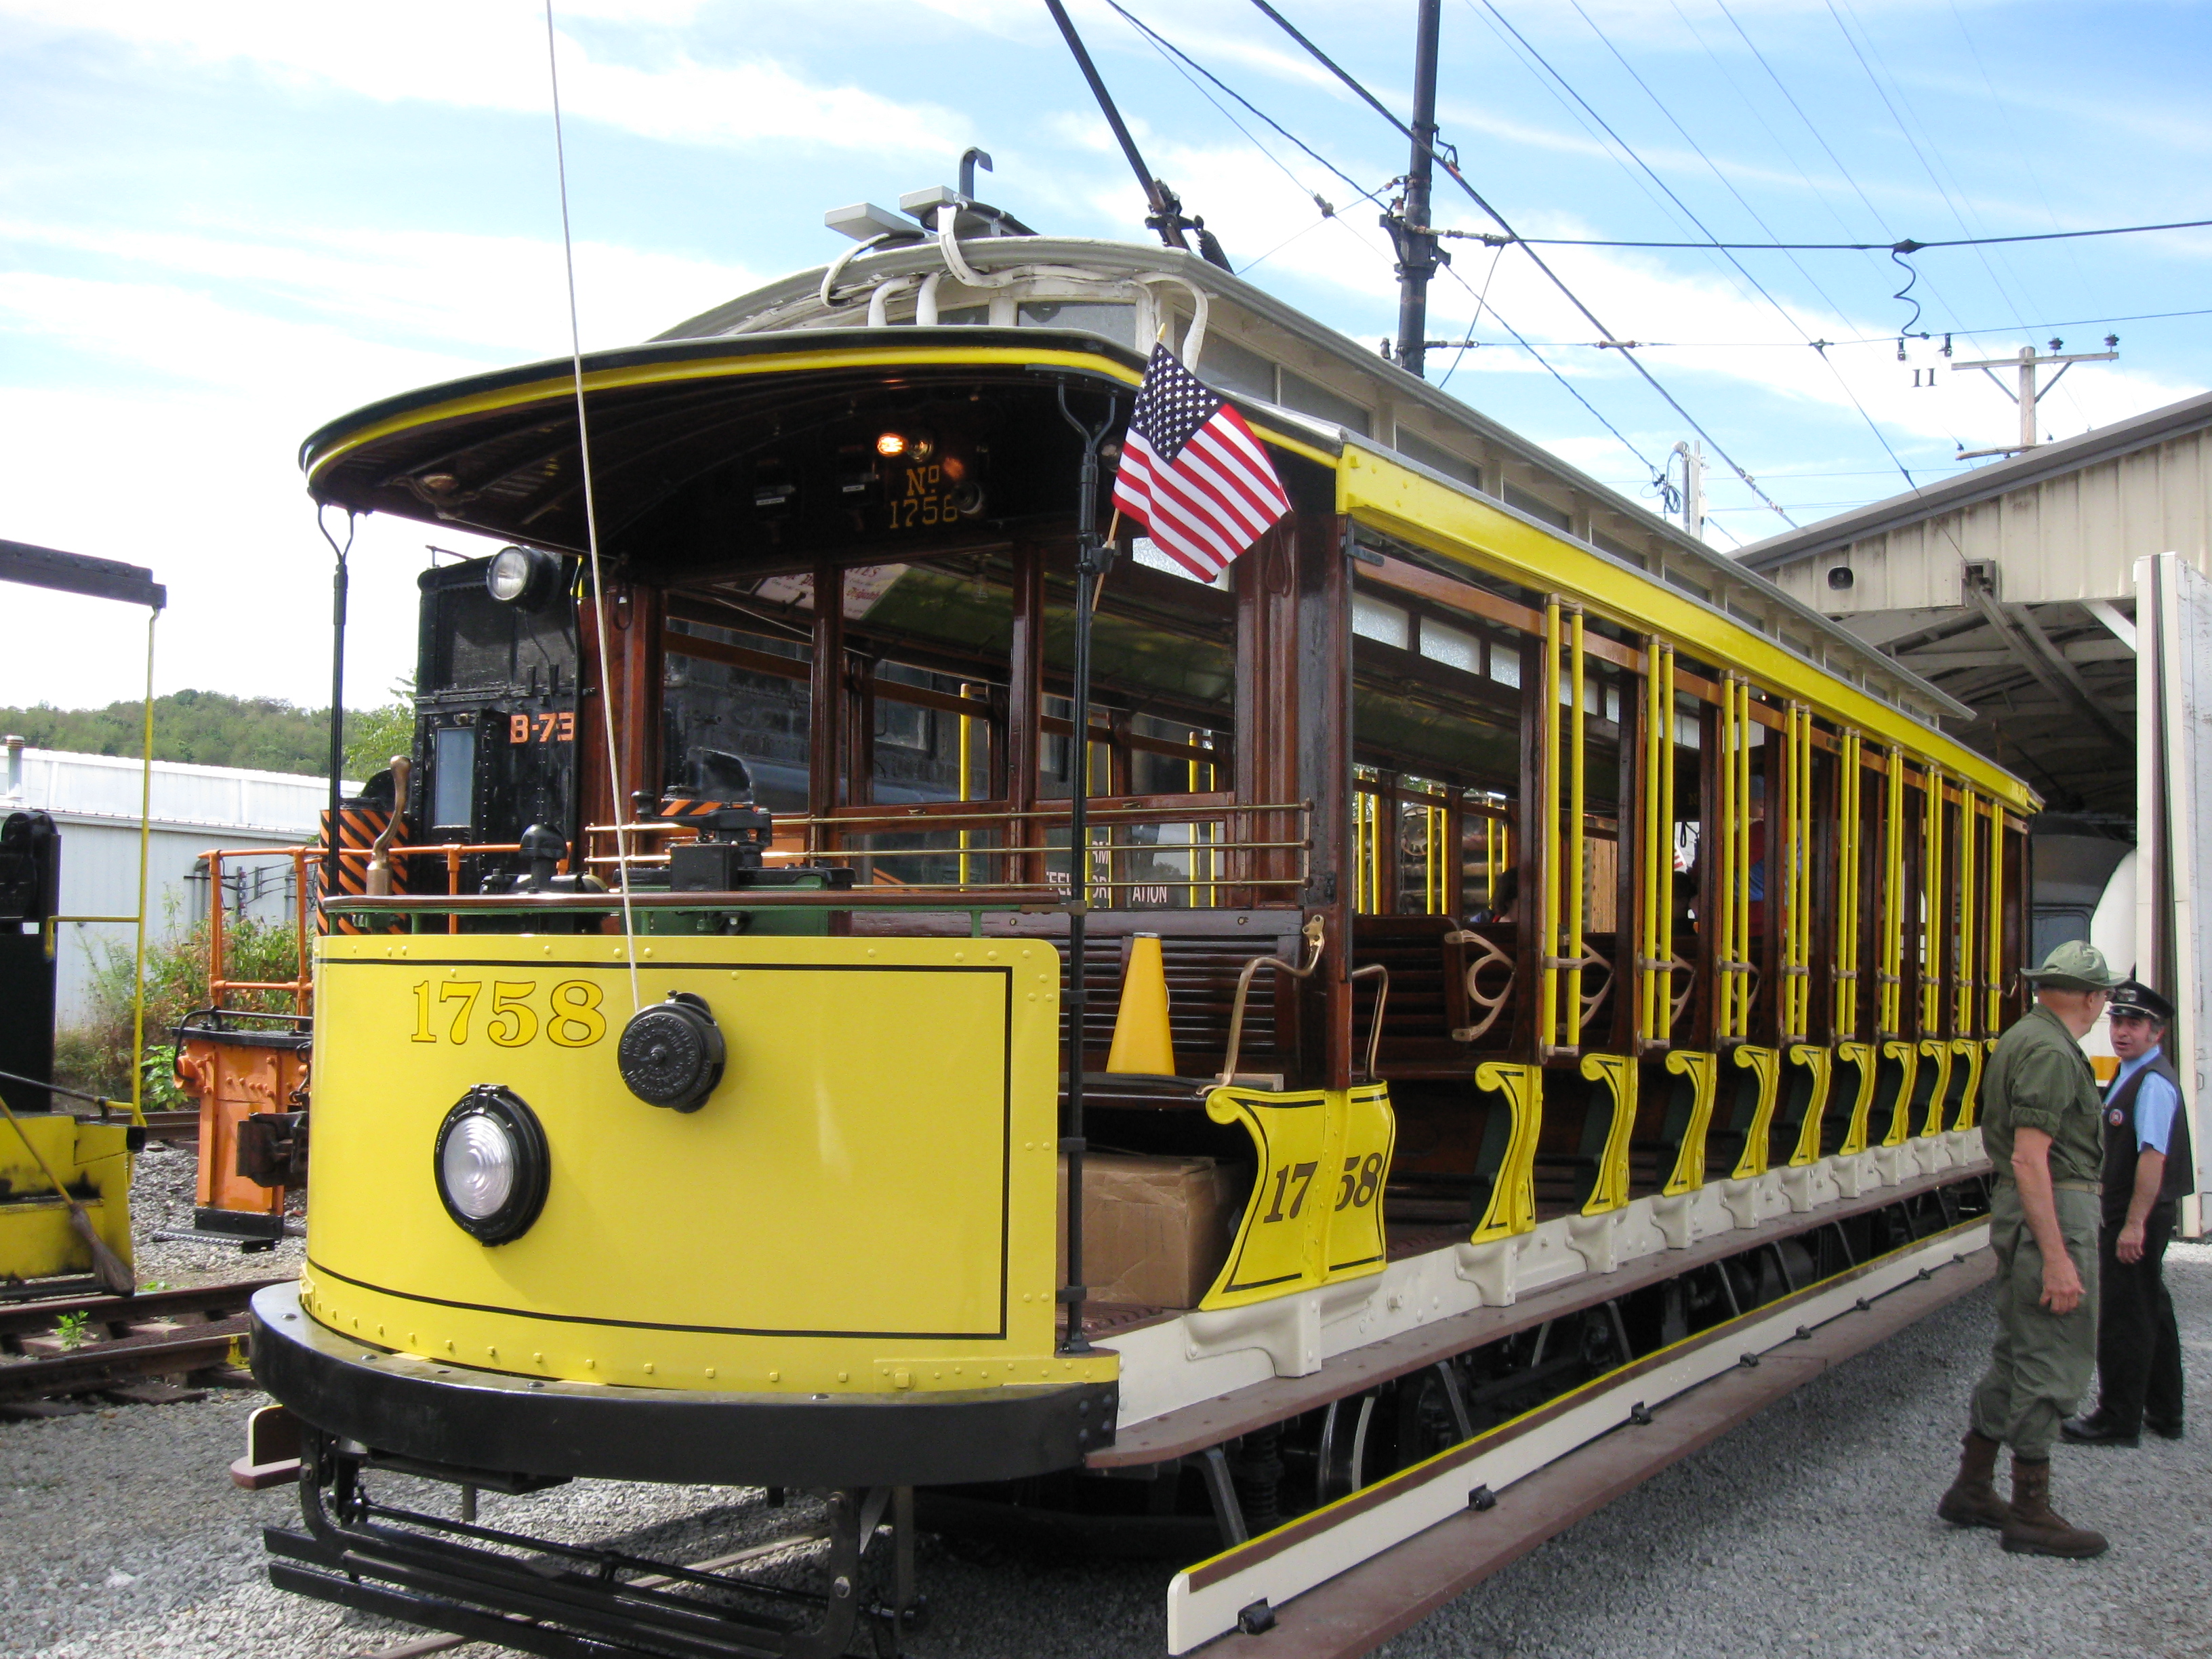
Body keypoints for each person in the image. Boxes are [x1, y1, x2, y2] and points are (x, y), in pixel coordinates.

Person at [1937, 939, 2119, 1558]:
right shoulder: (2050, 1050)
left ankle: (1973, 1486)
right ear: (2093, 998)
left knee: (2017, 1350)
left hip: (2032, 1206)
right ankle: (2031, 1511)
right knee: (2053, 1349)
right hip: (2054, 1209)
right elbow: (2029, 1156)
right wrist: (2060, 1257)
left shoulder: (2026, 1036)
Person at [2062, 978, 2192, 1446]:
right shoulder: (2133, 1072)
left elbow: (2153, 1157)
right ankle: (2165, 1411)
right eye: (2118, 1020)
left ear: (2156, 1032)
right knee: (2150, 1307)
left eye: (2134, 1023)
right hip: (2130, 1211)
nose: (2122, 1030)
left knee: (2124, 1317)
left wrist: (2133, 1224)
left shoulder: (2152, 1083)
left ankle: (2117, 1418)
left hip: (2134, 1214)